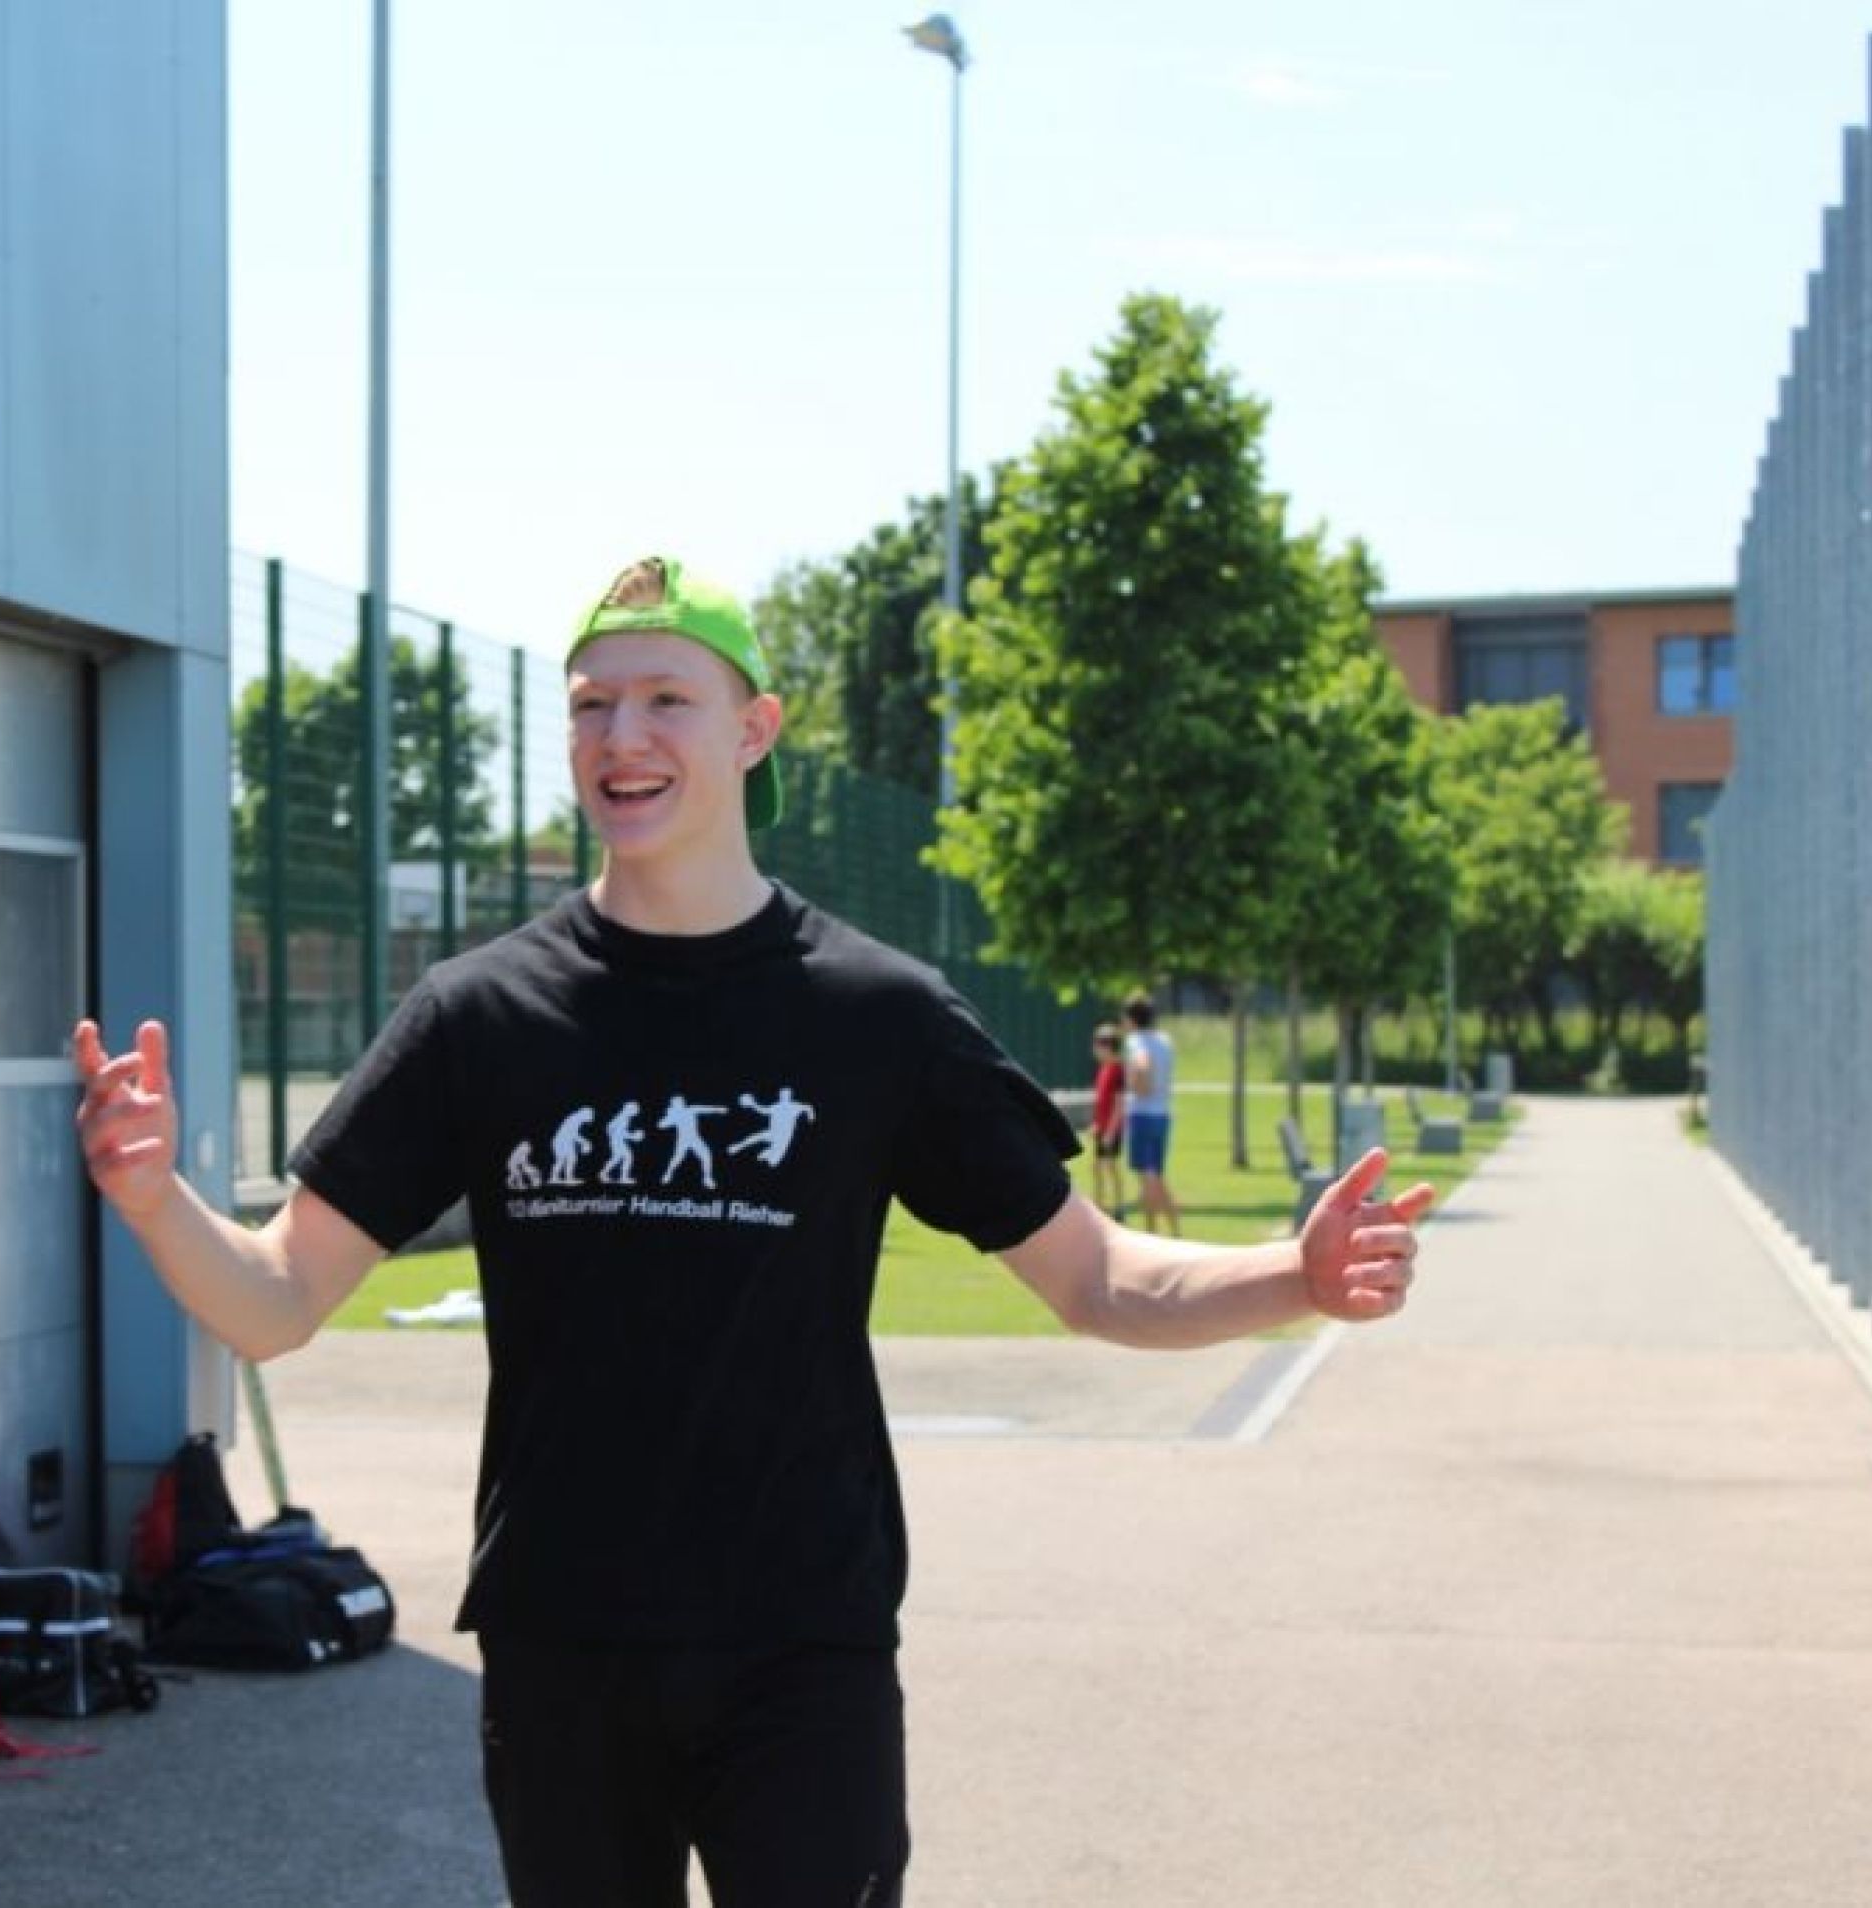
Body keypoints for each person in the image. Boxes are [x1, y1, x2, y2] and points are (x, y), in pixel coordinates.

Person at [73, 555, 1429, 1908]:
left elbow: (1095, 1275)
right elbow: (277, 1299)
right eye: (592, 705)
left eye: (666, 699)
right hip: (560, 1646)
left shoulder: (875, 1017)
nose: (622, 737)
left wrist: (1291, 1276)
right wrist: (152, 1197)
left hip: (800, 1650)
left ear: (753, 729)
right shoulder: (476, 1017)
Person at [1120, 991, 1184, 1235]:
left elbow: (1142, 1063)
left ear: (1131, 1018)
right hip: (1162, 1114)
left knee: (1147, 1177)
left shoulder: (1135, 1041)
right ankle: (1174, 1229)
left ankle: (1152, 1232)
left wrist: (1139, 1086)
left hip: (1142, 1115)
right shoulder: (1164, 1040)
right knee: (1155, 1174)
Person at [1087, 1021, 1128, 1221]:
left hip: (1112, 1130)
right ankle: (1100, 1206)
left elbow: (1119, 1104)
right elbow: (1101, 1100)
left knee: (1110, 1166)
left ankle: (1119, 1207)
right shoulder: (1104, 1068)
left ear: (1108, 1046)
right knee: (1097, 1167)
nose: (1094, 1049)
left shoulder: (1118, 1070)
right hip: (1102, 1128)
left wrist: (1111, 1132)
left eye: (1097, 1044)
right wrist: (1096, 1124)